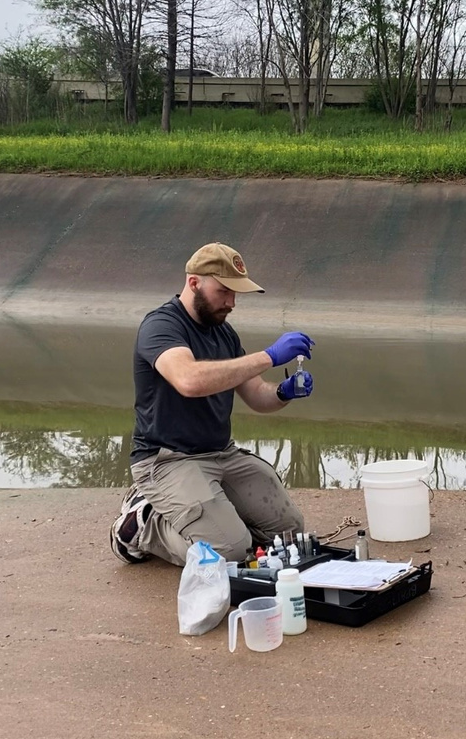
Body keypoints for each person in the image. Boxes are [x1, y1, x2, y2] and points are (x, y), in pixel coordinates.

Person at [110, 241, 314, 566]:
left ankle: (214, 519)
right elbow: (189, 380)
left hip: (222, 454)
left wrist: (284, 392)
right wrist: (269, 356)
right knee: (228, 554)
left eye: (236, 294)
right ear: (194, 282)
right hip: (166, 461)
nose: (232, 302)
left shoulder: (225, 333)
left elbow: (256, 394)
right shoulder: (162, 326)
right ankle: (145, 525)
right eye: (224, 291)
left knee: (288, 533)